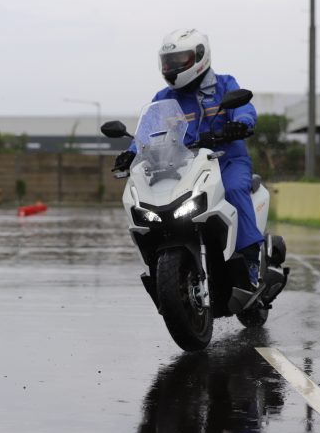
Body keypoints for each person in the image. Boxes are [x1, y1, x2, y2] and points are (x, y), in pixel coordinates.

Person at [113, 28, 263, 288]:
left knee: (235, 189)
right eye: (168, 61)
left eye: (179, 60)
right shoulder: (163, 98)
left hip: (226, 160)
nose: (172, 67)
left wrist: (241, 123)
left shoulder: (225, 85)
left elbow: (243, 109)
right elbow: (146, 133)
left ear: (200, 57)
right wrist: (131, 152)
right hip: (182, 165)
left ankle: (250, 260)